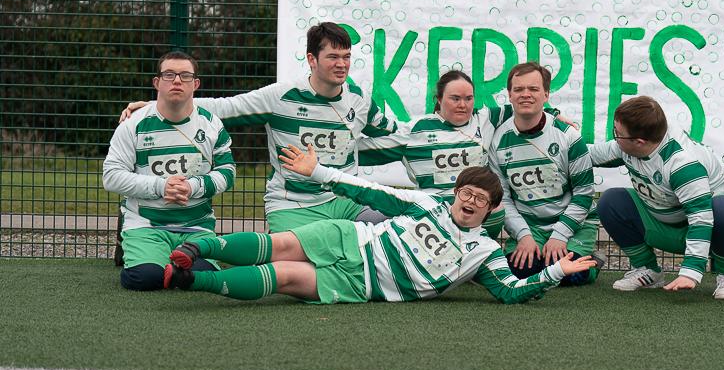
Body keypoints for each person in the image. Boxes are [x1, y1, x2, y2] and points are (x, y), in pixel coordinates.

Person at [162, 147, 597, 305]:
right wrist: (319, 173)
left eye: (480, 200)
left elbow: (509, 291)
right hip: (351, 237)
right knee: (280, 244)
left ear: (490, 211)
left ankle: (191, 283)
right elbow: (367, 191)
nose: (470, 201)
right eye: (466, 193)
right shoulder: (428, 203)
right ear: (456, 193)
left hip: (366, 283)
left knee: (283, 277)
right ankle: (203, 248)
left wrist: (557, 272)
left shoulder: (485, 252)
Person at [120, 22, 397, 231]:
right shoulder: (280, 97)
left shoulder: (359, 101)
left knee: (392, 229)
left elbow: (396, 137)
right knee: (296, 264)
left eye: (346, 57)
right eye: (333, 57)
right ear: (312, 59)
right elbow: (226, 107)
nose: (342, 64)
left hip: (346, 202)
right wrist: (157, 105)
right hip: (292, 203)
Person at [357, 70, 571, 239]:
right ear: (439, 99)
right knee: (373, 219)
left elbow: (524, 109)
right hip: (431, 215)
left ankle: (475, 258)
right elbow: (363, 151)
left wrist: (554, 114)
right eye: (455, 98)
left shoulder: (486, 119)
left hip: (476, 214)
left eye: (469, 98)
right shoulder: (417, 130)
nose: (463, 105)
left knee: (497, 208)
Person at [103, 51, 237, 290]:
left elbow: (228, 172)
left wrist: (192, 186)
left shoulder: (212, 125)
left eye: (185, 76)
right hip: (147, 223)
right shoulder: (133, 125)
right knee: (145, 279)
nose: (177, 81)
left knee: (200, 276)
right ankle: (138, 249)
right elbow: (111, 177)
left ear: (195, 84)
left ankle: (168, 262)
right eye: (169, 74)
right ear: (157, 82)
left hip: (196, 226)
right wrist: (161, 186)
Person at [591, 96, 724, 300]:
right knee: (611, 201)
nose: (615, 138)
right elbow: (587, 155)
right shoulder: (631, 144)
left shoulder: (683, 164)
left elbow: (701, 219)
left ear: (639, 142)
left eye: (617, 134)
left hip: (710, 230)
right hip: (663, 224)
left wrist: (690, 273)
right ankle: (648, 270)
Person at [488, 62, 602, 286]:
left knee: (569, 274)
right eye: (519, 89)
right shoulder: (498, 140)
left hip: (573, 224)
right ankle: (536, 251)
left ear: (546, 94)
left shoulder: (568, 136)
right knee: (519, 273)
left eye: (533, 89)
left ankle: (593, 263)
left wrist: (560, 234)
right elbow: (504, 197)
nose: (526, 95)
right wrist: (524, 236)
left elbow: (584, 193)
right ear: (509, 95)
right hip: (530, 225)